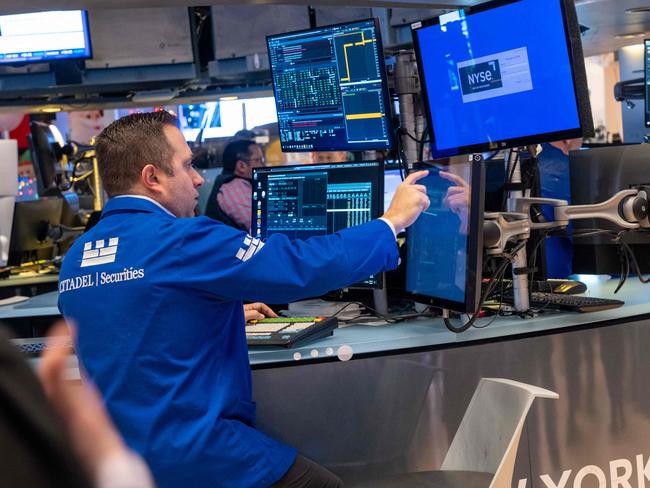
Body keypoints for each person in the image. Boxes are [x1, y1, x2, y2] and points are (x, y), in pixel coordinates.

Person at [57, 111, 430, 488]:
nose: (199, 178)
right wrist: (390, 222)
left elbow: (139, 324)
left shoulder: (77, 257)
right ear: (152, 177)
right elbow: (296, 267)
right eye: (187, 166)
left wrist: (219, 312)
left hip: (121, 463)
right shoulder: (183, 240)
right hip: (196, 453)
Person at [204, 139, 265, 231]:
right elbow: (261, 226)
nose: (263, 165)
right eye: (258, 160)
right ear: (241, 166)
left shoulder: (240, 184)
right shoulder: (234, 187)